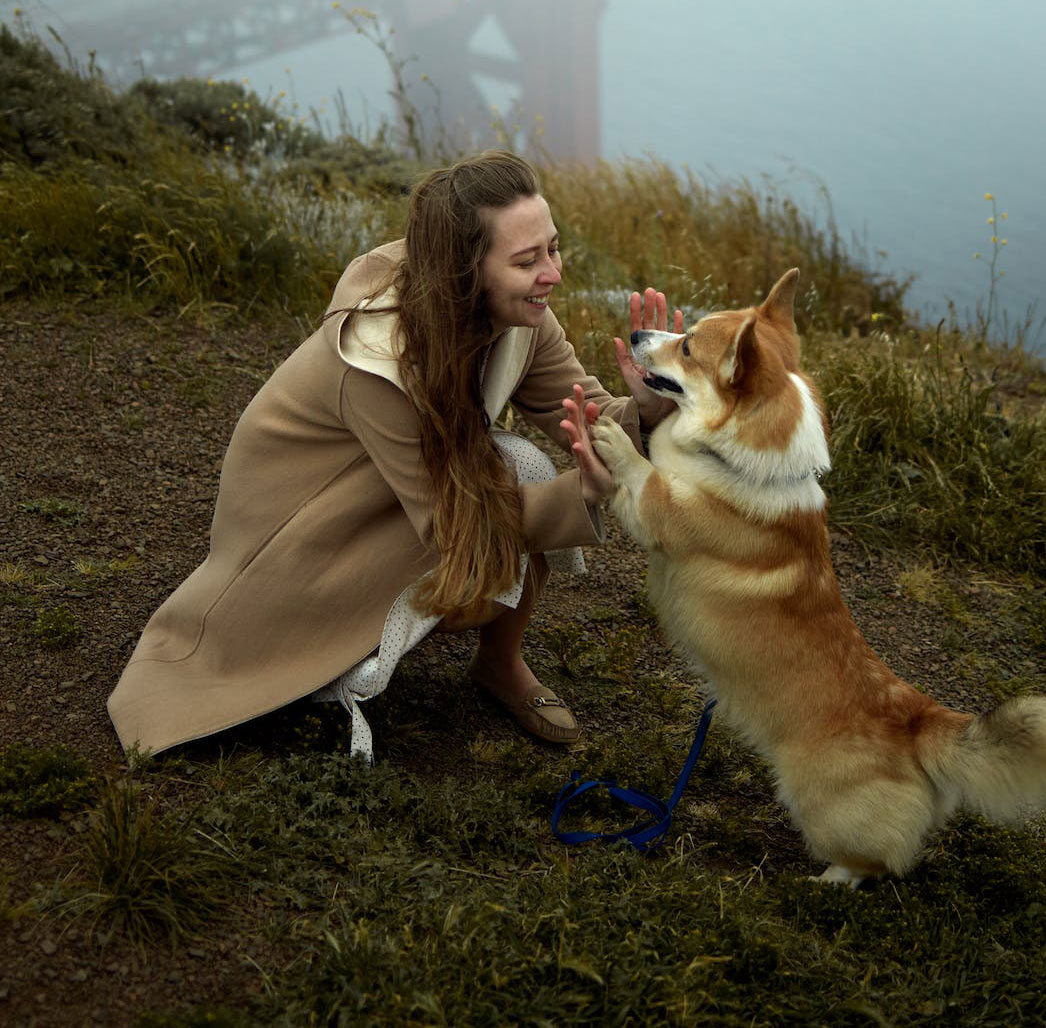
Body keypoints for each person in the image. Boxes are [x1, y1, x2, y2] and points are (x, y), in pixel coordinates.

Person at [107, 149, 680, 757]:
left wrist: (648, 406)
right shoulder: (376, 355)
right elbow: (453, 520)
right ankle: (321, 649)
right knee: (518, 476)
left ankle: (500, 665)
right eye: (526, 260)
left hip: (399, 487)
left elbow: (584, 413)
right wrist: (581, 492)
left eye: (553, 249)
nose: (553, 274)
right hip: (305, 528)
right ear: (467, 271)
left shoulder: (519, 314)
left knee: (513, 467)